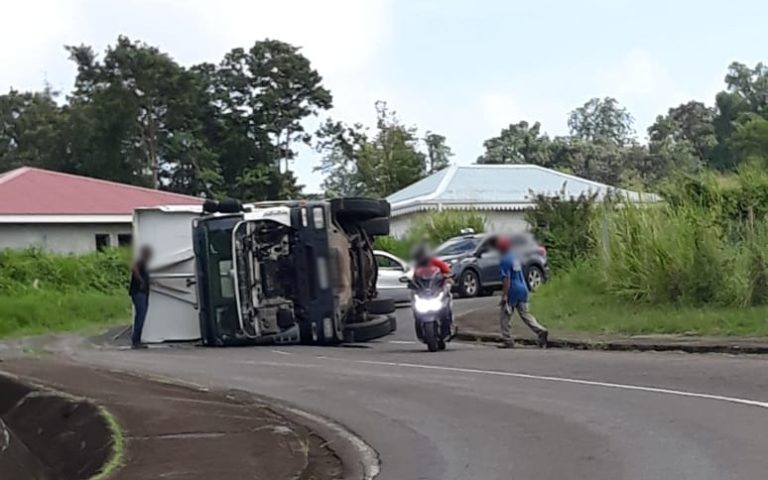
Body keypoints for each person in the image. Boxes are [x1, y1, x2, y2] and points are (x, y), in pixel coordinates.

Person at [496, 236, 548, 349]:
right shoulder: (514, 256)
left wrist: (505, 295)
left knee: (505, 315)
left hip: (513, 290)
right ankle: (540, 330)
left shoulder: (504, 259)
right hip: (523, 288)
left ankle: (507, 340)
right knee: (525, 314)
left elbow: (506, 278)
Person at [410, 242, 455, 335]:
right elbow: (414, 279)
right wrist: (411, 284)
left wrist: (448, 278)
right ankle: (419, 327)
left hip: (437, 290)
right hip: (423, 292)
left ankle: (449, 325)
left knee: (446, 303)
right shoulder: (417, 266)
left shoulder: (436, 262)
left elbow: (448, 272)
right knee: (415, 306)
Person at [129, 245, 153, 349]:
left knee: (140, 316)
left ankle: (137, 340)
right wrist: (141, 281)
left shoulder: (144, 264)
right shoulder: (141, 261)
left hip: (143, 292)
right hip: (139, 292)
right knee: (140, 316)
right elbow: (134, 268)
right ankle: (136, 341)